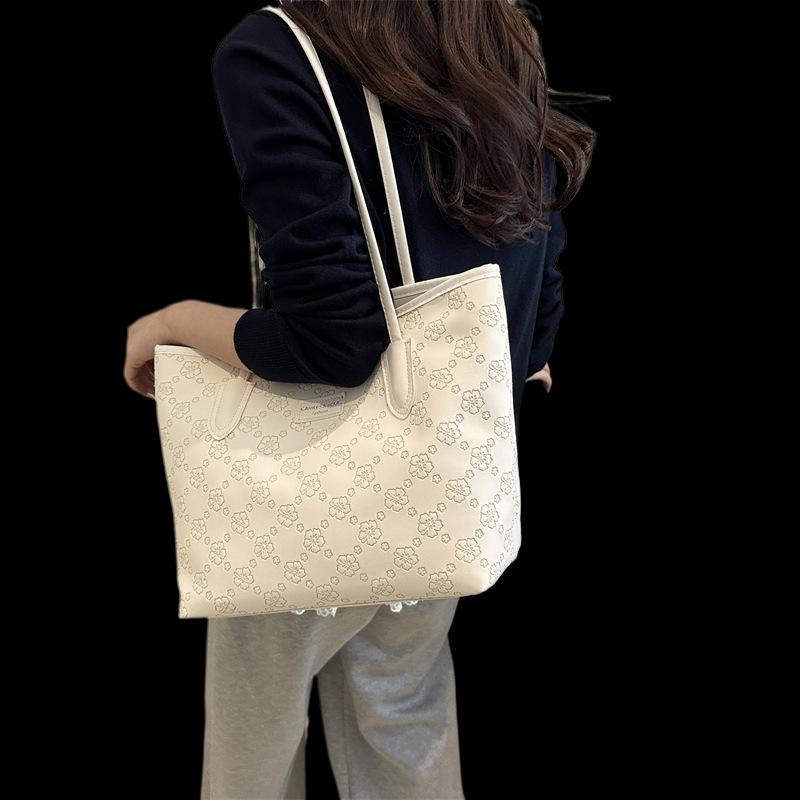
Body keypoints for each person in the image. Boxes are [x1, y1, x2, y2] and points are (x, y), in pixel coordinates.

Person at [123, 1, 596, 797]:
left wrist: (171, 323)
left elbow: (335, 345)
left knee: (254, 741)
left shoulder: (277, 48)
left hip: (308, 486)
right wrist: (516, 361)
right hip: (444, 478)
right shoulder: (490, 23)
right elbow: (535, 261)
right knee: (406, 718)